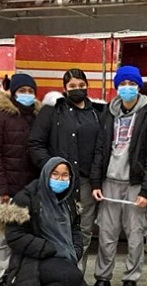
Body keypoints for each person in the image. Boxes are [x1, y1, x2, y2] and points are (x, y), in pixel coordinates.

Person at [88, 65, 147, 286]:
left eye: (132, 84)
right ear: (117, 87)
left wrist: (146, 190)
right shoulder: (108, 114)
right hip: (109, 183)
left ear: (139, 86)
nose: (127, 88)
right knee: (107, 236)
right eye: (123, 84)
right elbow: (100, 149)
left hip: (134, 185)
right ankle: (102, 279)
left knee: (134, 236)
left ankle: (131, 282)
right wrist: (96, 181)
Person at [0, 157, 95, 286]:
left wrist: (76, 249)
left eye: (64, 175)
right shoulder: (26, 198)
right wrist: (46, 248)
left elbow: (75, 228)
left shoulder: (69, 200)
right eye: (55, 174)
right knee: (73, 276)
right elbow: (15, 236)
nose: (60, 179)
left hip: (63, 260)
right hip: (36, 259)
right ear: (46, 174)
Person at [28, 68, 103, 275]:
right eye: (72, 86)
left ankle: (75, 277)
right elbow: (35, 143)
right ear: (65, 89)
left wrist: (96, 180)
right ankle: (56, 278)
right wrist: (51, 168)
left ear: (87, 86)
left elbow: (100, 149)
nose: (77, 89)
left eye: (81, 85)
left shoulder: (97, 113)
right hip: (59, 183)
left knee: (83, 232)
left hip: (86, 185)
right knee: (55, 231)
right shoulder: (52, 111)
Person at [0, 73, 41, 286]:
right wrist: (1, 189)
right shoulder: (0, 117)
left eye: (30, 91)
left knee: (19, 234)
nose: (27, 95)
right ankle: (1, 278)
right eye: (22, 91)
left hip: (24, 187)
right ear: (13, 92)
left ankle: (17, 275)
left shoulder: (35, 116)